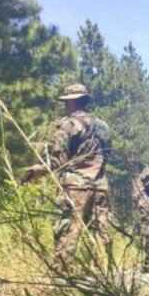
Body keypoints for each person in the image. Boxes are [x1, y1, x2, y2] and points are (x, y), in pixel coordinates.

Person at [23, 84, 112, 266]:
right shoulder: (104, 126)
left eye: (66, 102)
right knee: (100, 231)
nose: (65, 106)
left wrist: (36, 170)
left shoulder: (69, 125)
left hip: (75, 187)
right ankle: (104, 272)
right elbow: (107, 155)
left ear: (72, 102)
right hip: (100, 187)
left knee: (67, 230)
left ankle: (63, 274)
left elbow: (58, 161)